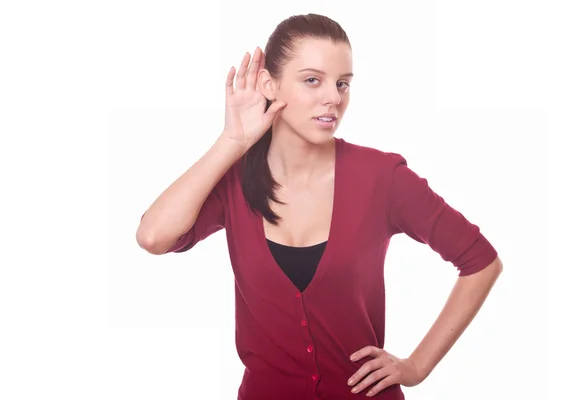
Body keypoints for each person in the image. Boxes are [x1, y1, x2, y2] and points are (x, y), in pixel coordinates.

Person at [136, 13, 503, 400]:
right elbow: (153, 236)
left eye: (343, 83)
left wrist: (416, 366)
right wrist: (232, 141)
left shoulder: (382, 177)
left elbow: (481, 261)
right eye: (313, 80)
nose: (334, 97)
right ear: (268, 84)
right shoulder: (235, 180)